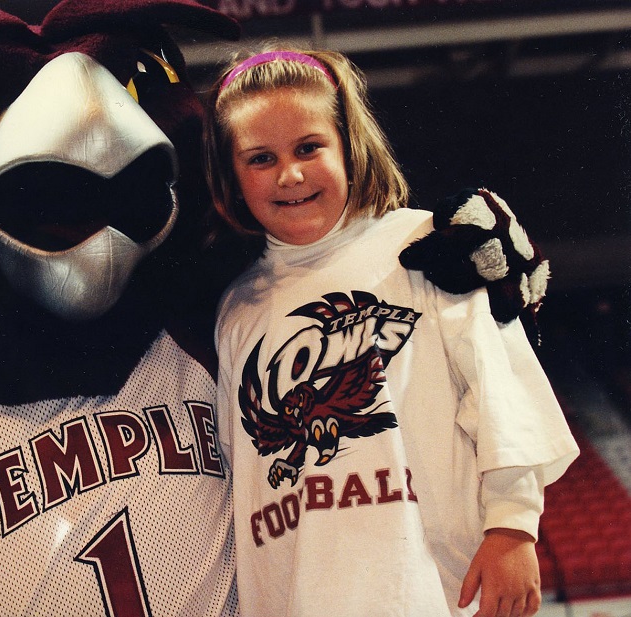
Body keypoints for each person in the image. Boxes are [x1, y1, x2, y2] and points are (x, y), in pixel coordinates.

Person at [203, 48, 579, 617]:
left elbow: (499, 387)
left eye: (309, 147)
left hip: (430, 588)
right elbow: (240, 472)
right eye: (260, 158)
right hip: (301, 593)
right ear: (231, 176)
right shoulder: (235, 307)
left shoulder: (429, 246)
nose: (291, 174)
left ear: (349, 146)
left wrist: (512, 526)